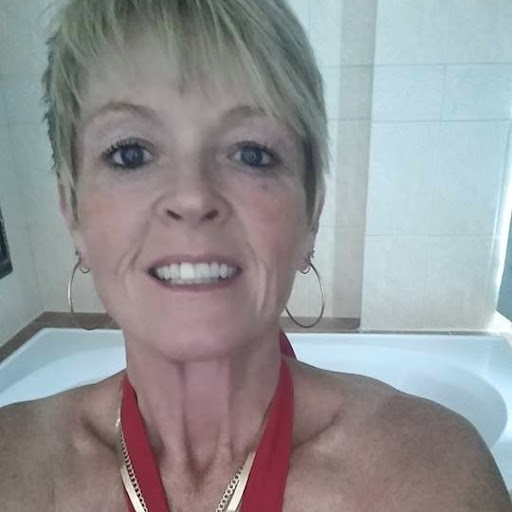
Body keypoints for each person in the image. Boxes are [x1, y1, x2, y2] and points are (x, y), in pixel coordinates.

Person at [1, 0, 511, 510]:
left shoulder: (433, 478)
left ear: (312, 213)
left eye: (252, 153)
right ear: (72, 211)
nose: (192, 197)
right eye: (130, 153)